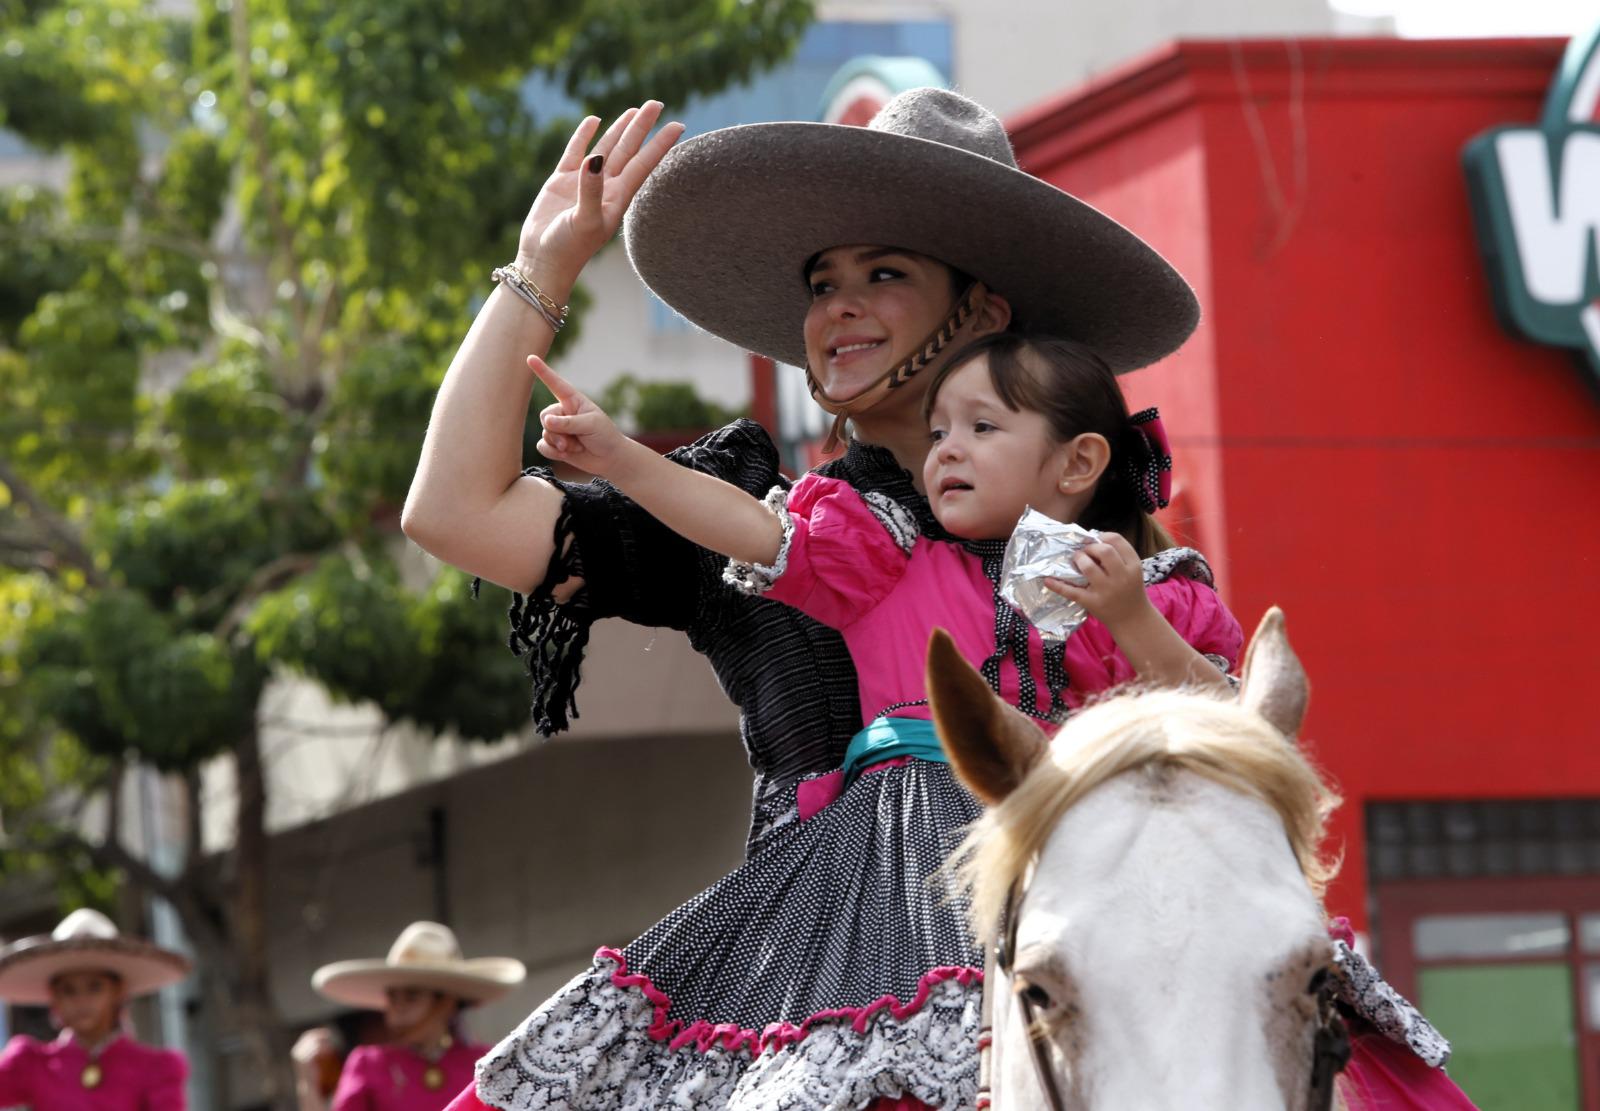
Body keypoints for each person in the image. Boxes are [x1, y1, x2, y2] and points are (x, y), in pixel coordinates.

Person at [405, 89, 1469, 1109]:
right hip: (826, 982)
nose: (837, 308)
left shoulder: (1113, 557)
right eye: (822, 282)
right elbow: (451, 514)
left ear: (981, 310)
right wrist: (538, 274)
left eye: (883, 273)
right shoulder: (757, 516)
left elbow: (1224, 743)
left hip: (1129, 977)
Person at [527, 330, 1241, 757]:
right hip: (903, 875)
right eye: (939, 433)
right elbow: (744, 525)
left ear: (1078, 462)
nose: (947, 451)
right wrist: (619, 456)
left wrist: (1130, 616)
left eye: (981, 428)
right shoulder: (882, 562)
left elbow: (1233, 730)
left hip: (1086, 855)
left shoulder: (1154, 595)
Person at [291, 921, 526, 1111]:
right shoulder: (369, 1064)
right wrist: (307, 1084)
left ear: (445, 1002)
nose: (398, 1006)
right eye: (393, 997)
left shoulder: (487, 1063)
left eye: (411, 996)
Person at [0, 908, 190, 1110]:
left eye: (95, 987)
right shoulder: (30, 1064)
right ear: (53, 997)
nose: (81, 1001)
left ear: (118, 991)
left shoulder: (157, 1068)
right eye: (68, 990)